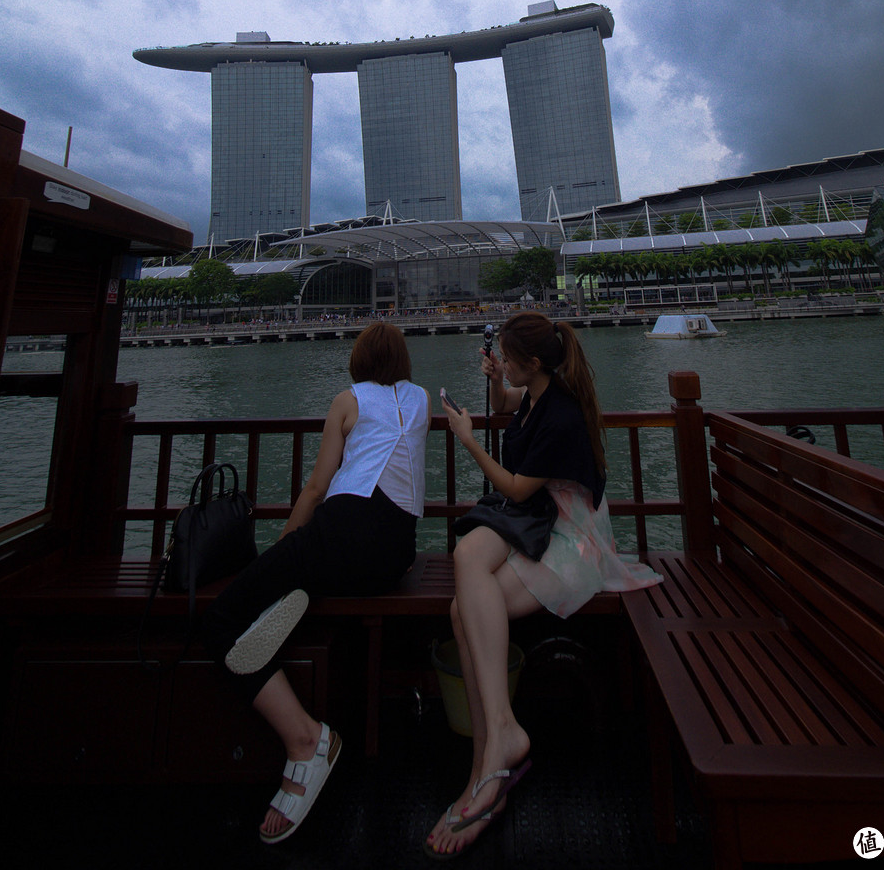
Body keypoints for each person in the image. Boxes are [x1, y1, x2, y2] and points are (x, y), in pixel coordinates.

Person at [425, 312, 661, 859]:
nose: (501, 364)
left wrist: (466, 438)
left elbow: (507, 482)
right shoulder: (537, 390)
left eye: (505, 358)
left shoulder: (563, 415)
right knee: (467, 565)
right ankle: (492, 757)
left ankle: (491, 763)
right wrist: (492, 383)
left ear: (531, 363)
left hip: (566, 537)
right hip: (529, 518)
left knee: (466, 613)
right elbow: (509, 406)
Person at [202, 322, 430, 844]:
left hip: (340, 536)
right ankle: (290, 590)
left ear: (358, 360)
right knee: (299, 576)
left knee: (222, 620)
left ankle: (307, 739)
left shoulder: (347, 400)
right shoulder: (420, 401)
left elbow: (316, 486)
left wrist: (284, 547)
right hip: (395, 554)